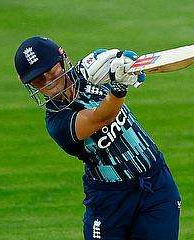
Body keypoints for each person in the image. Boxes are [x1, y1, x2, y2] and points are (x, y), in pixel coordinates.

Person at [14, 36, 181, 240]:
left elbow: (110, 59)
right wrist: (119, 88)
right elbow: (101, 116)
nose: (50, 81)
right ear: (29, 84)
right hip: (109, 200)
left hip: (156, 183)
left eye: (52, 70)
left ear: (62, 60)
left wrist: (126, 63)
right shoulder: (58, 123)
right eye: (39, 79)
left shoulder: (87, 73)